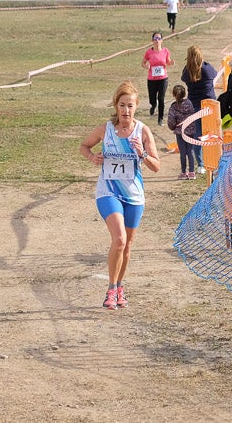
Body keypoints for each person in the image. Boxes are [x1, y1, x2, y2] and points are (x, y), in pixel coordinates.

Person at [79, 81, 160, 310]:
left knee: (127, 245)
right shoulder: (105, 130)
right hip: (108, 192)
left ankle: (120, 286)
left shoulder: (142, 131)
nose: (126, 110)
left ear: (136, 107)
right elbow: (84, 146)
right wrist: (93, 157)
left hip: (134, 196)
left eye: (130, 106)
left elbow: (156, 166)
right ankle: (111, 289)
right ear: (116, 106)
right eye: (122, 105)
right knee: (119, 239)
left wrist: (142, 153)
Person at [181, 45, 216, 175]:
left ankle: (200, 164)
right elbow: (214, 73)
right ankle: (214, 160)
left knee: (198, 134)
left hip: (194, 105)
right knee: (213, 133)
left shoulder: (187, 71)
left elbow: (183, 77)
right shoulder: (206, 69)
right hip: (209, 105)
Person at [141, 31, 173, 126]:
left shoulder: (165, 51)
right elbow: (143, 63)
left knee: (161, 99)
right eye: (155, 39)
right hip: (152, 79)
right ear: (152, 41)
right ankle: (153, 105)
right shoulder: (149, 52)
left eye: (159, 39)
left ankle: (160, 119)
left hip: (163, 79)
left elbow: (168, 62)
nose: (157, 41)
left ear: (162, 40)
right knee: (152, 98)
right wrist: (146, 66)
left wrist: (171, 63)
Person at [166, 84, 197, 180]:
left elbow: (171, 121)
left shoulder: (173, 107)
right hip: (191, 131)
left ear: (174, 95)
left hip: (180, 132)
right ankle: (191, 172)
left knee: (183, 152)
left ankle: (183, 172)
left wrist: (173, 127)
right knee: (190, 151)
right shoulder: (189, 103)